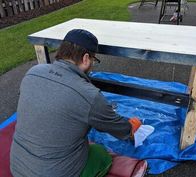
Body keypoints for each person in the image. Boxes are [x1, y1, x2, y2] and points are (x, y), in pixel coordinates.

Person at [10, 29, 142, 177]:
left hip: (17, 167)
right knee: (101, 154)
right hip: (55, 172)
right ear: (86, 58)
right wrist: (133, 125)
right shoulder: (89, 95)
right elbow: (124, 130)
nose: (92, 64)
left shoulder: (33, 72)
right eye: (93, 60)